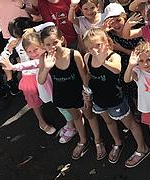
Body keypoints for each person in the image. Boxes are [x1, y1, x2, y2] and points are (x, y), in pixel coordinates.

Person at [83, 28, 150, 167]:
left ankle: (142, 148)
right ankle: (117, 142)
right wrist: (87, 91)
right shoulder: (87, 57)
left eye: (98, 45)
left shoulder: (113, 57)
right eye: (90, 47)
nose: (94, 50)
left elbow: (116, 69)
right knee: (108, 122)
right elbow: (89, 75)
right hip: (98, 99)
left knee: (130, 123)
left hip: (115, 100)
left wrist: (102, 60)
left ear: (106, 42)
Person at [36, 26, 104, 161]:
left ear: (61, 40)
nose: (52, 47)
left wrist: (87, 94)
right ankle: (83, 140)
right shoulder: (44, 58)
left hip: (80, 93)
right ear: (43, 46)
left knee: (89, 115)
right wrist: (47, 67)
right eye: (48, 44)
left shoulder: (74, 54)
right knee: (76, 117)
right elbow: (41, 80)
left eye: (55, 42)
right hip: (62, 94)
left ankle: (98, 140)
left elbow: (85, 76)